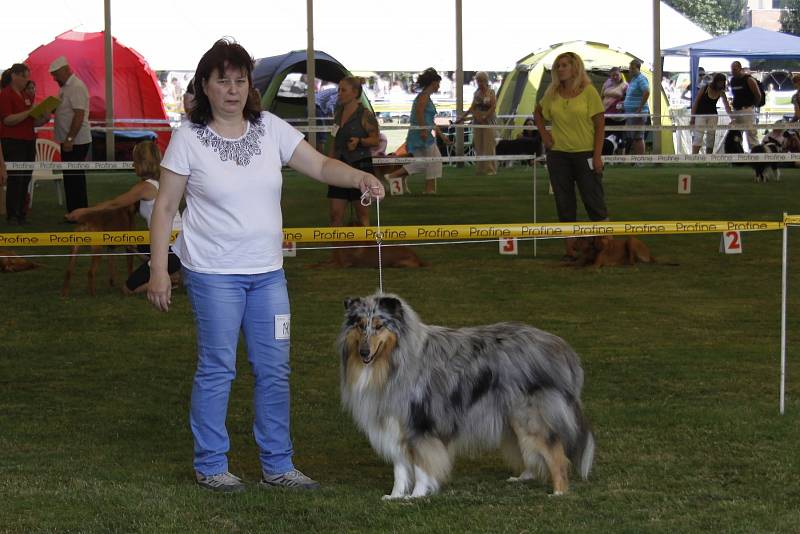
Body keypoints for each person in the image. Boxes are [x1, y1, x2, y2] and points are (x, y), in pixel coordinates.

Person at [147, 38, 385, 493]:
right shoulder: (187, 139)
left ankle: (279, 465)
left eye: (239, 80)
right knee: (218, 368)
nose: (233, 90)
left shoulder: (271, 129)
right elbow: (164, 210)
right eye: (223, 81)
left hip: (268, 276)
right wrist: (160, 269)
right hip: (212, 274)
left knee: (275, 369)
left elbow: (318, 166)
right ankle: (212, 465)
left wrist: (359, 176)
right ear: (206, 86)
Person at [65, 141, 183, 293]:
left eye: (134, 161)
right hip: (179, 241)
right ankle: (171, 270)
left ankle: (172, 279)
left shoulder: (145, 187)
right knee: (132, 243)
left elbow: (115, 204)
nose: (133, 165)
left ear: (141, 163)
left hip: (169, 247)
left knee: (127, 289)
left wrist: (84, 212)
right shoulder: (164, 181)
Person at [534, 51, 607, 261]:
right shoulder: (552, 93)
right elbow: (537, 113)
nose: (560, 69)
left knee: (593, 199)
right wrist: (545, 135)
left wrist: (597, 155)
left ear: (576, 68)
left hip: (585, 154)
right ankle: (570, 247)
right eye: (558, 65)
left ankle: (606, 243)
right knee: (564, 201)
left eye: (565, 65)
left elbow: (600, 124)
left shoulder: (589, 92)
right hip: (558, 155)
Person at [385, 68, 452, 194]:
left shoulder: (426, 97)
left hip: (421, 133)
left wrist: (442, 136)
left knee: (424, 162)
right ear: (433, 83)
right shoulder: (424, 97)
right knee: (434, 160)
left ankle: (394, 176)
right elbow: (419, 113)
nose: (439, 86)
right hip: (421, 134)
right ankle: (429, 189)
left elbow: (430, 120)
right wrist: (422, 130)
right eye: (438, 83)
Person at [326, 76, 380, 227]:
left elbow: (376, 140)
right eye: (339, 90)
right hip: (338, 167)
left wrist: (360, 141)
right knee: (335, 215)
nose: (339, 93)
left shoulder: (365, 115)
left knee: (362, 214)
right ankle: (337, 250)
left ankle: (365, 248)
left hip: (361, 168)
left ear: (355, 92)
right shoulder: (338, 112)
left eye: (343, 90)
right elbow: (334, 139)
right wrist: (329, 163)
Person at [0, 63, 49, 224]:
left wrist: (44, 117)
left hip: (29, 140)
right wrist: (28, 112)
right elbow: (8, 120)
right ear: (15, 76)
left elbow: (31, 123)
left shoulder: (27, 95)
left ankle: (22, 212)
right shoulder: (5, 95)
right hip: (13, 142)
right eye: (24, 76)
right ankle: (12, 215)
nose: (27, 80)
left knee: (26, 177)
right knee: (16, 178)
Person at [49, 56, 92, 214]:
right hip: (69, 140)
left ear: (66, 70)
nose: (54, 78)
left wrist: (69, 139)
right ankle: (74, 211)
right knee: (70, 177)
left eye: (56, 74)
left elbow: (79, 115)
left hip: (76, 141)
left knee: (75, 178)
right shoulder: (65, 87)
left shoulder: (76, 86)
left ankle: (79, 212)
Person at [456, 71, 497, 176]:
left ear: (486, 81)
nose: (479, 83)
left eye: (481, 81)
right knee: (478, 146)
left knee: (489, 146)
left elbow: (493, 107)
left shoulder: (491, 92)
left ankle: (490, 169)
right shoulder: (476, 93)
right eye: (478, 81)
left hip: (489, 122)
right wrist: (462, 118)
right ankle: (480, 169)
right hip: (477, 122)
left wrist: (485, 116)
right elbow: (472, 108)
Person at [690, 73, 732, 154]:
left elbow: (727, 106)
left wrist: (732, 118)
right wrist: (692, 118)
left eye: (723, 82)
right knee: (698, 137)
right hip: (700, 115)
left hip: (713, 115)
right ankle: (693, 158)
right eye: (720, 81)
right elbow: (696, 103)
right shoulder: (705, 88)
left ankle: (709, 159)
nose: (721, 83)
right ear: (715, 81)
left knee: (711, 138)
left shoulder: (721, 92)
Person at [729, 61, 761, 151]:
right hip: (736, 110)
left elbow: (758, 95)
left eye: (735, 69)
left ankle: (756, 154)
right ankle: (738, 153)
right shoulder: (732, 80)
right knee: (736, 134)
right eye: (732, 70)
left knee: (751, 133)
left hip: (747, 110)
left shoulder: (749, 79)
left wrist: (753, 106)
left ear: (740, 69)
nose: (733, 72)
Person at [623, 60, 650, 155]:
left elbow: (646, 92)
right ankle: (637, 159)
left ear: (638, 68)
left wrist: (640, 108)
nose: (630, 70)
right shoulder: (634, 79)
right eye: (630, 68)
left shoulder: (641, 79)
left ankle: (641, 161)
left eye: (633, 68)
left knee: (638, 137)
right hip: (631, 113)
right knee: (634, 137)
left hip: (638, 113)